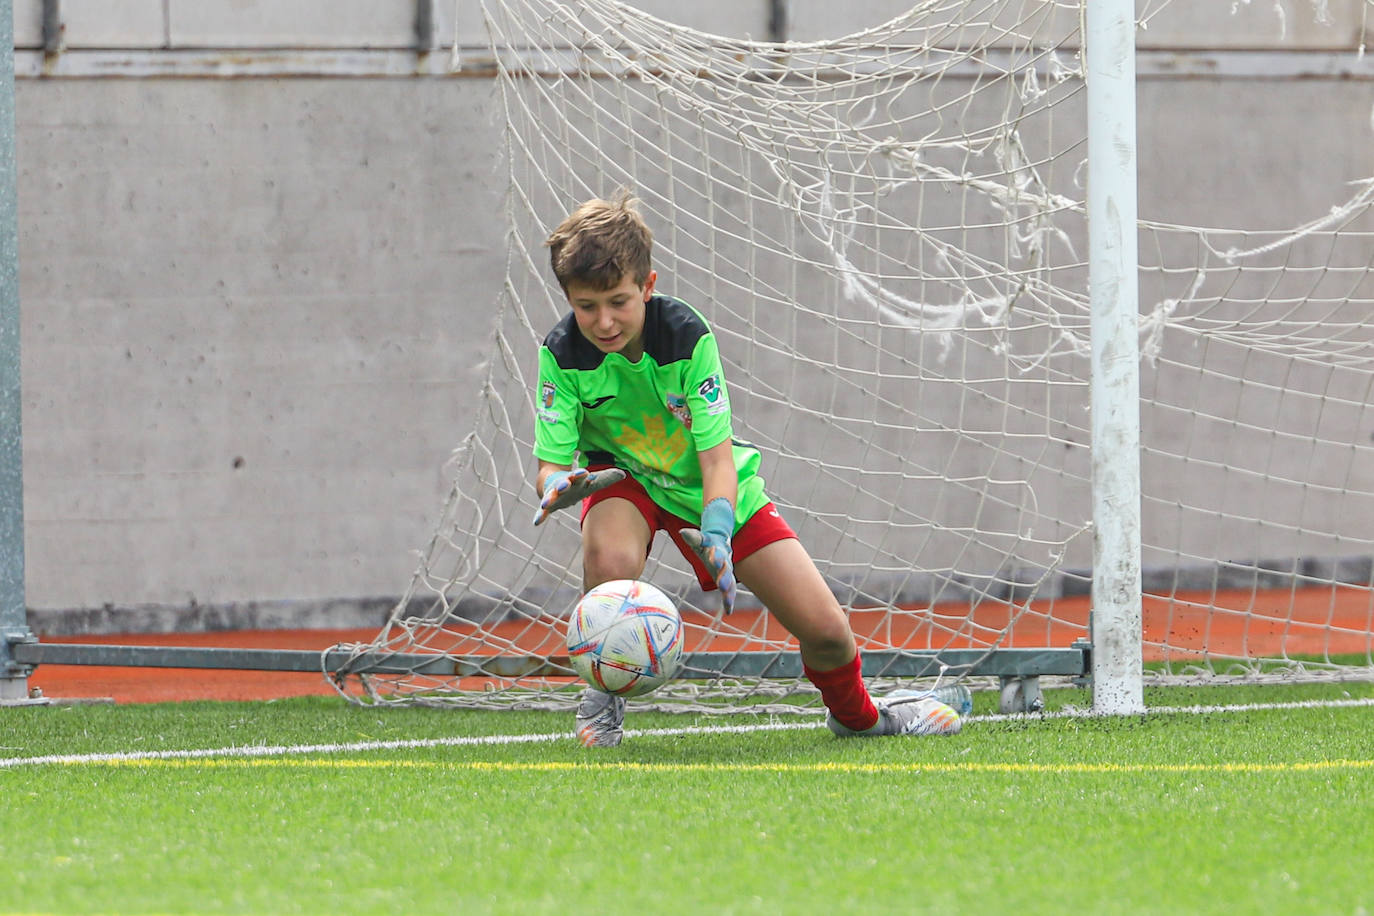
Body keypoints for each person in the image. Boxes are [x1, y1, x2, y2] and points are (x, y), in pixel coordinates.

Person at [530, 191, 969, 747]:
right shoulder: (562, 352)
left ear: (648, 285)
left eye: (618, 301)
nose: (604, 320)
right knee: (609, 556)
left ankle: (862, 717)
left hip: (708, 488)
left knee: (828, 632)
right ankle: (602, 698)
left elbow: (716, 458)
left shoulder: (687, 337)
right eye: (586, 305)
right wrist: (559, 487)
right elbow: (551, 465)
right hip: (624, 483)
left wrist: (717, 526)